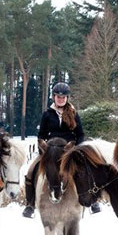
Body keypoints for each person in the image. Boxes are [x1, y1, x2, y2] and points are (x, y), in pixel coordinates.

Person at [23, 82, 93, 218]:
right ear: (53, 97)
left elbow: (80, 134)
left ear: (67, 98)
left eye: (63, 97)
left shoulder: (73, 113)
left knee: (85, 169)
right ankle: (30, 204)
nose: (60, 99)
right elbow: (41, 134)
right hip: (50, 150)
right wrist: (43, 148)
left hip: (68, 149)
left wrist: (77, 148)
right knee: (31, 170)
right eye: (58, 97)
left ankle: (92, 201)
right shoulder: (47, 114)